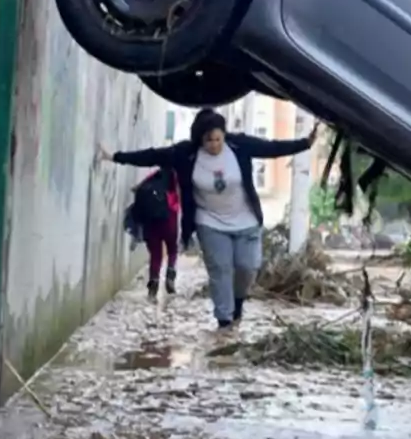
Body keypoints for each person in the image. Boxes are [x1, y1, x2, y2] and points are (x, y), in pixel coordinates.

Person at [99, 108, 318, 329]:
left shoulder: (239, 146)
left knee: (248, 267)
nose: (214, 145)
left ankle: (238, 302)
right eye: (208, 140)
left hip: (246, 220)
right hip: (210, 221)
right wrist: (116, 157)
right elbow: (153, 155)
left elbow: (271, 147)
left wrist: (304, 143)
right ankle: (224, 323)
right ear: (199, 139)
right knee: (220, 270)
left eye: (217, 139)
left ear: (224, 135)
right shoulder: (186, 154)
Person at [132, 167, 181, 300]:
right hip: (169, 218)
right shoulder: (176, 176)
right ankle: (170, 274)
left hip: (151, 221)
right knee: (172, 248)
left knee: (155, 254)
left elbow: (137, 189)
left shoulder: (154, 176)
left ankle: (153, 283)